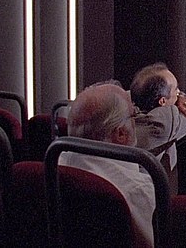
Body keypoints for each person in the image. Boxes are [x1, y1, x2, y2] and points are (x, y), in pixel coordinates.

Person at [59, 83, 155, 248]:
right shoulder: (137, 190)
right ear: (120, 133)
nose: (136, 120)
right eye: (134, 114)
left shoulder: (53, 166)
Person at [129, 62, 186, 194]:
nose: (179, 93)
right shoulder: (163, 123)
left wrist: (177, 97)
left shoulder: (123, 112)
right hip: (150, 197)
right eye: (176, 90)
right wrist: (181, 99)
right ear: (163, 101)